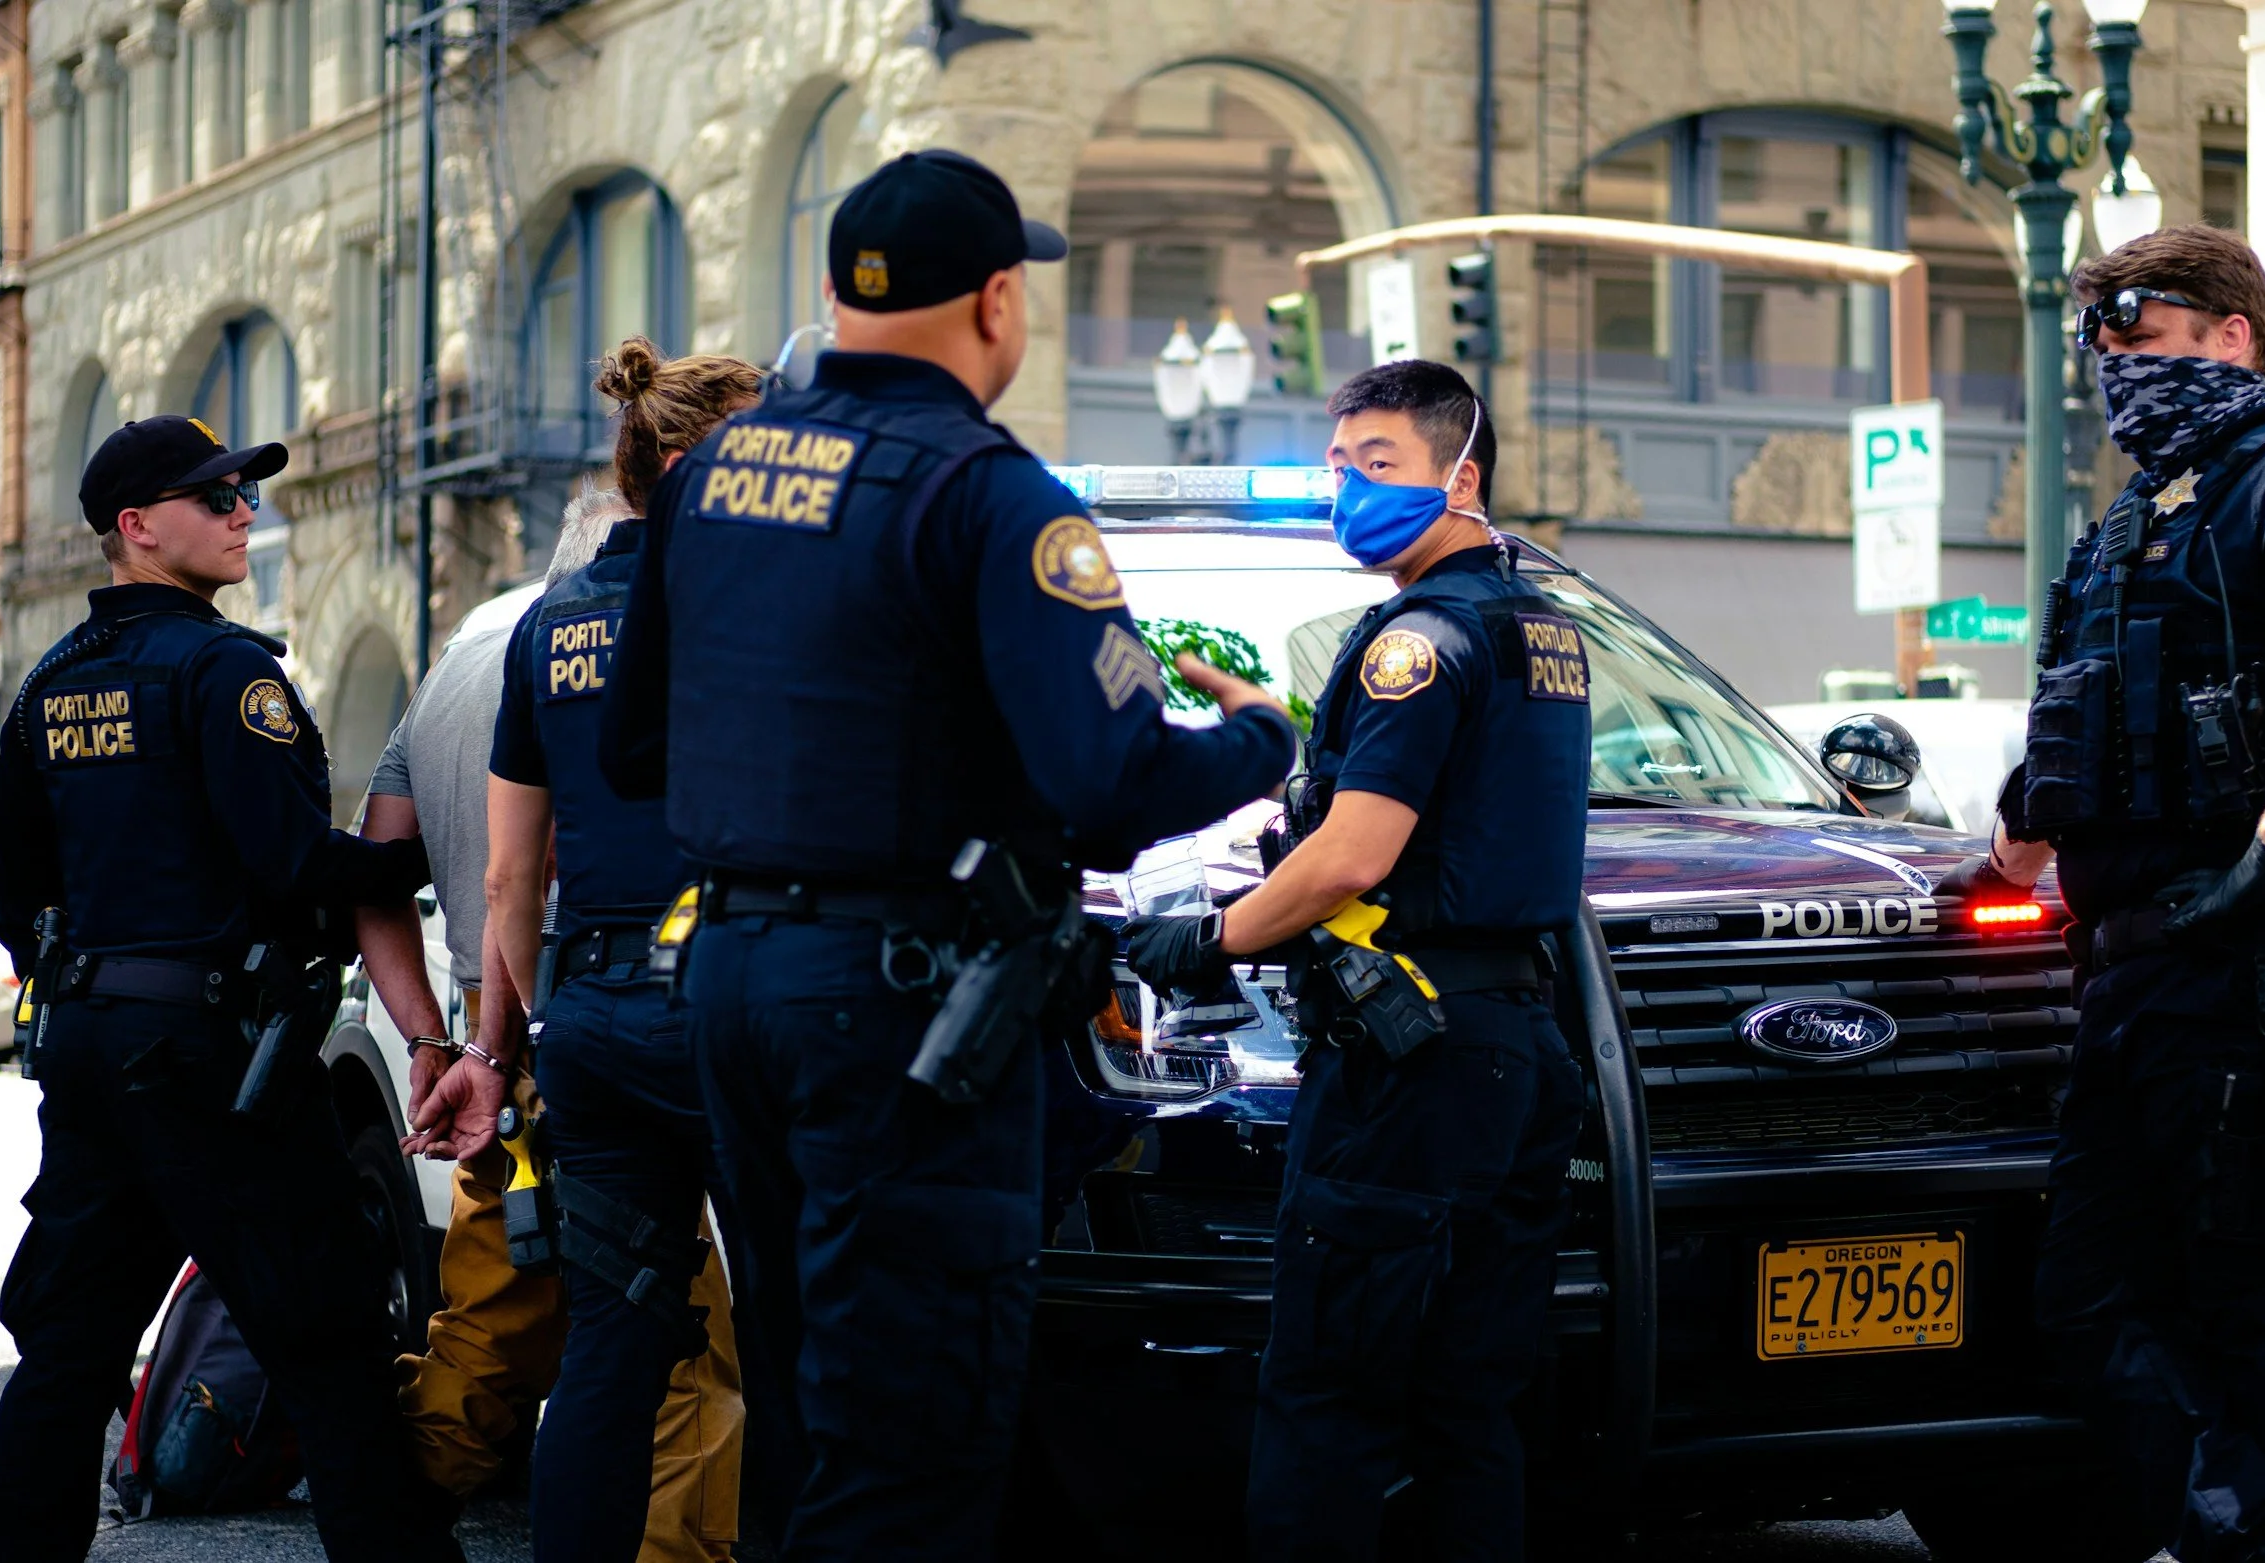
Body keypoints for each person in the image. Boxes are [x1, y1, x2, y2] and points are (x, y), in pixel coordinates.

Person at [599, 149, 1297, 1557]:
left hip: (734, 978)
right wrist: (1263, 741)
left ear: (837, 296)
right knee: (917, 1433)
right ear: (994, 303)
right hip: (909, 1005)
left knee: (805, 1400)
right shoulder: (996, 494)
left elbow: (631, 751)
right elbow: (1109, 787)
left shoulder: (715, 472)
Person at [1942, 225, 2265, 1563]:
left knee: (2246, 1300)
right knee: (2100, 1292)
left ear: (2235, 336)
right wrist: (2002, 865)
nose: (2119, 370)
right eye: (2101, 345)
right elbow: (2085, 733)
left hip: (2250, 966)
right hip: (2138, 974)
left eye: (2144, 337)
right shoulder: (2142, 517)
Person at [1121, 360, 1592, 1563]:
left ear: (1461, 473)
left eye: (1379, 464)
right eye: (1337, 466)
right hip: (1517, 1049)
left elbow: (1350, 857)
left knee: (1329, 1388)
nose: (1348, 489)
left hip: (1411, 1063)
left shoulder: (1415, 644)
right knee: (1468, 1398)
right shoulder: (1544, 627)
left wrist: (1206, 937)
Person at [0, 415, 458, 1563]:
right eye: (217, 496)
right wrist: (434, 850)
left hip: (95, 1044)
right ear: (137, 529)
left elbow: (14, 905)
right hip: (214, 1063)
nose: (247, 512)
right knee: (331, 1343)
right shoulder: (226, 669)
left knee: (68, 1352)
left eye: (245, 492)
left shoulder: (49, 685)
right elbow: (294, 866)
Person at [357, 474, 746, 1563]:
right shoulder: (629, 651)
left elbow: (375, 867)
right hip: (591, 1008)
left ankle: (383, 1499)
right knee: (680, 1349)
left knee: (493, 1311)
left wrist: (440, 1038)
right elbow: (539, 874)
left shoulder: (459, 665)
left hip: (503, 1035)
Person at [488, 340, 764, 1563]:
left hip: (591, 1011)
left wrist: (512, 1041)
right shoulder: (753, 606)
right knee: (793, 1329)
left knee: (611, 1338)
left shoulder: (548, 625)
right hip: (741, 1003)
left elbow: (509, 874)